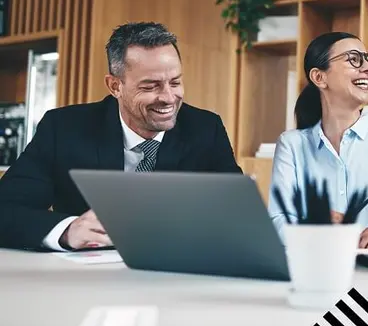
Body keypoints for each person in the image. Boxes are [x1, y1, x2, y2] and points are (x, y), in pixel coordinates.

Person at [0, 22, 242, 251]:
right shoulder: (64, 128)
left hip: (176, 277)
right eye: (151, 86)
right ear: (115, 86)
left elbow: (237, 217)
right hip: (86, 280)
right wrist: (67, 231)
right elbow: (6, 210)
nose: (168, 97)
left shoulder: (205, 129)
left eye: (175, 82)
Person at [268, 32, 368, 252]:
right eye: (354, 59)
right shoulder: (292, 145)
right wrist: (314, 228)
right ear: (319, 77)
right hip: (325, 268)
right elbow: (279, 220)